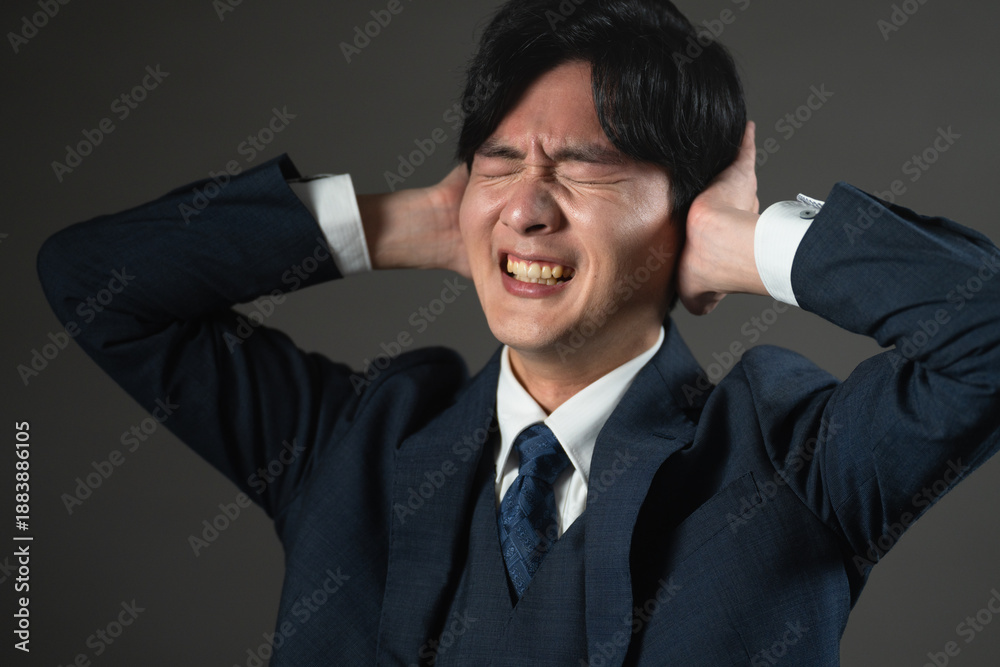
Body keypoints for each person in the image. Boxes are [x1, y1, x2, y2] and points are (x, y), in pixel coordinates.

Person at [37, 0, 1000, 664]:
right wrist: (401, 223)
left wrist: (747, 244)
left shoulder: (792, 463)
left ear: (687, 212)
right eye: (498, 162)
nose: (526, 208)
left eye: (585, 167)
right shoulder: (353, 444)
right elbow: (95, 283)